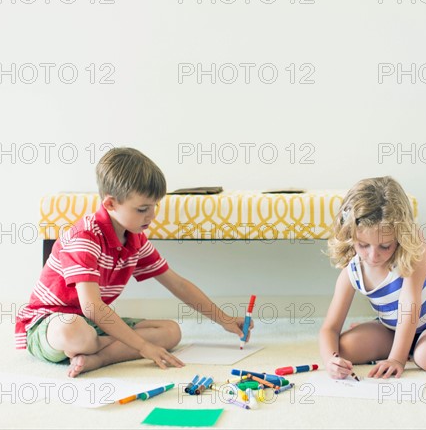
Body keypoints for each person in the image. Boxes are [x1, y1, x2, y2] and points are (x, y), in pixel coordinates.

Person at [15, 147, 251, 377]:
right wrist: (143, 346)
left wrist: (224, 320)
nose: (152, 215)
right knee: (74, 332)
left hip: (93, 324)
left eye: (155, 206)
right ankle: (101, 346)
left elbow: (177, 284)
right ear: (110, 204)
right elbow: (92, 307)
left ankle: (98, 358)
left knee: (171, 332)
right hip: (51, 324)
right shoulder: (84, 237)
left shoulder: (135, 239)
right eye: (142, 209)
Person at [319, 177, 426, 379]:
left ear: (401, 235)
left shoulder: (413, 250)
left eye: (385, 246)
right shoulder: (353, 270)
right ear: (350, 236)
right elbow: (329, 328)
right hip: (393, 328)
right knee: (344, 349)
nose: (373, 256)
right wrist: (331, 360)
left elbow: (410, 304)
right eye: (363, 245)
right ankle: (408, 348)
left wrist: (397, 359)